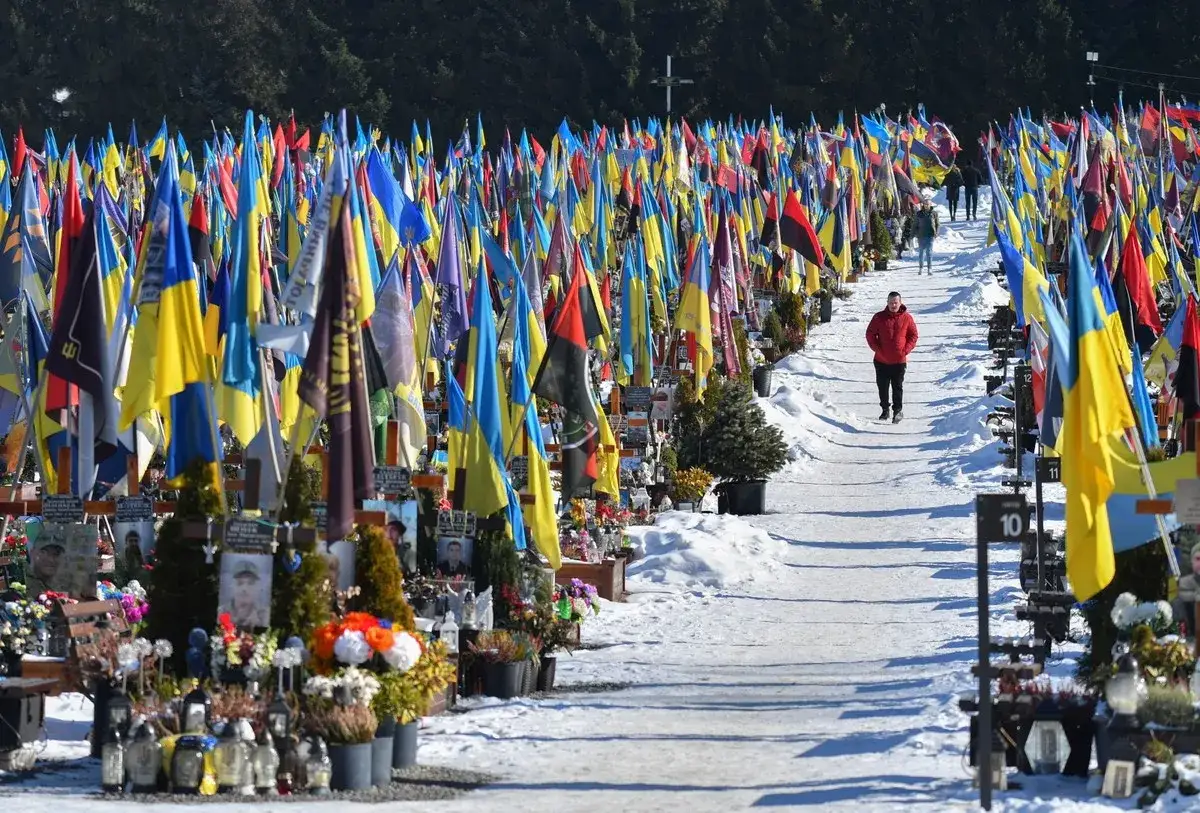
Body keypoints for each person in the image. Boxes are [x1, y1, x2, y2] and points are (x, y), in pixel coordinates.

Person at [865, 292, 919, 423]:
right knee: (882, 387)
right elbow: (870, 334)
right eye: (891, 302)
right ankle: (885, 410)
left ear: (900, 303)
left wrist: (905, 350)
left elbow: (913, 335)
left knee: (897, 387)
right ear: (887, 303)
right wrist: (878, 349)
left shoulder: (907, 318)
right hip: (881, 360)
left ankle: (897, 411)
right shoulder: (879, 317)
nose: (893, 305)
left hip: (899, 361)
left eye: (895, 302)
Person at [227, 559, 269, 629]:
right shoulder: (221, 612)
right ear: (231, 586)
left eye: (251, 583)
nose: (244, 589)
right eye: (239, 583)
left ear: (258, 587)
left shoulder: (265, 614)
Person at [913, 199, 939, 274]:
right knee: (921, 253)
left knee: (929, 252)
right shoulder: (919, 214)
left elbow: (937, 224)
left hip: (930, 235)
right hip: (921, 236)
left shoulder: (934, 213)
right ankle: (921, 268)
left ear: (930, 205)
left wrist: (936, 232)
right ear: (923, 205)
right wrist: (914, 234)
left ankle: (929, 268)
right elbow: (915, 225)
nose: (926, 205)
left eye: (928, 204)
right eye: (925, 204)